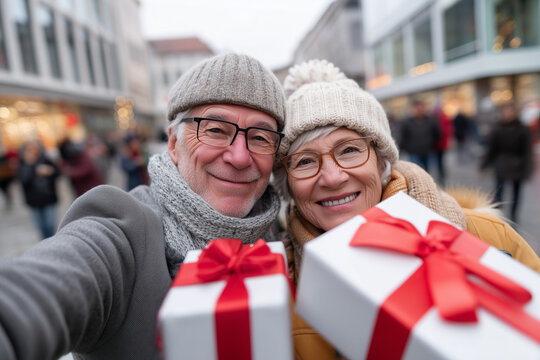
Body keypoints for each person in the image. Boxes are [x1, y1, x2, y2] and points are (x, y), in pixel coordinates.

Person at [0, 53, 286, 360]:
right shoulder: (122, 230)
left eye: (260, 137)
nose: (240, 157)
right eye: (215, 130)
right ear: (174, 144)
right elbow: (34, 294)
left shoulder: (275, 229)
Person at [274, 60, 540, 359]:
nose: (333, 177)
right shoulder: (276, 292)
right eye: (305, 161)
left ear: (381, 162)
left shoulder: (490, 236)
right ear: (288, 184)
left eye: (349, 150)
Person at [481, 102, 534, 223]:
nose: (507, 114)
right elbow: (491, 149)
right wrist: (484, 164)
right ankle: (497, 213)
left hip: (517, 165)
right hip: (502, 164)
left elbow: (527, 151)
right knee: (498, 191)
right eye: (505, 112)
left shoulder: (522, 129)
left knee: (516, 192)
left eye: (510, 111)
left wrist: (527, 168)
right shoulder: (497, 128)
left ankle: (514, 214)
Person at [17, 140, 60, 239]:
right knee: (41, 227)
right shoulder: (23, 164)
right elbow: (23, 180)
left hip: (49, 198)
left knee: (50, 225)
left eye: (34, 148)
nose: (32, 151)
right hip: (33, 201)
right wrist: (32, 167)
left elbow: (58, 173)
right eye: (29, 149)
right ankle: (44, 246)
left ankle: (53, 244)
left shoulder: (46, 160)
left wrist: (50, 172)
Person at [399, 99, 440, 172]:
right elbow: (403, 136)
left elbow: (437, 134)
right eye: (418, 108)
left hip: (427, 151)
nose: (420, 110)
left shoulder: (431, 120)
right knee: (415, 171)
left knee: (427, 171)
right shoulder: (407, 122)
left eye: (422, 108)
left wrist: (432, 145)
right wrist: (406, 148)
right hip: (414, 152)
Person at [433, 104, 452, 186]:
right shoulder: (434, 119)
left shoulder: (445, 118)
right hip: (435, 144)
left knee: (441, 160)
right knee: (437, 160)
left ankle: (442, 174)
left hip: (442, 144)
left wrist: (448, 141)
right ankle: (440, 174)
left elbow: (448, 131)